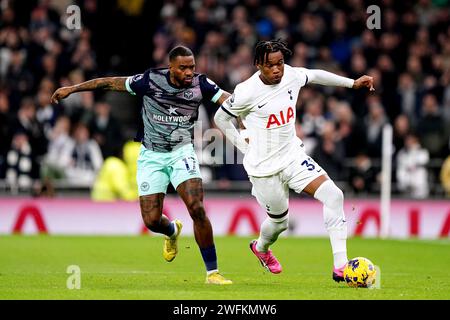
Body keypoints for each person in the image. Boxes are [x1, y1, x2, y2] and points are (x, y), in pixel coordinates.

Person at [51, 46, 232, 285]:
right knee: (151, 220)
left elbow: (230, 101)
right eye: (183, 67)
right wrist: (73, 89)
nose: (189, 72)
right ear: (171, 67)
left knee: (197, 208)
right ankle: (171, 232)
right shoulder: (150, 81)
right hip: (152, 155)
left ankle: (213, 273)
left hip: (182, 152)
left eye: (192, 67)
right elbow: (109, 83)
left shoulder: (201, 84)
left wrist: (255, 112)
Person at [214, 39, 374, 282]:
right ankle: (261, 248)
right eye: (271, 65)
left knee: (334, 195)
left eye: (280, 63)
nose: (277, 69)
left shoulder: (290, 75)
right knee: (280, 224)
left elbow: (315, 75)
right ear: (258, 64)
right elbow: (220, 118)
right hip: (264, 168)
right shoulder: (245, 91)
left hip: (292, 156)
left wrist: (351, 83)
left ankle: (340, 266)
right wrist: (242, 146)